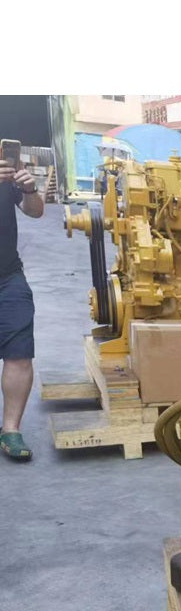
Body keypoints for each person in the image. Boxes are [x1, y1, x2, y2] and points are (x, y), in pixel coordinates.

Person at [0, 152, 44, 461]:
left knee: (20, 353)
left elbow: (36, 212)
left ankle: (10, 430)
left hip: (8, 276)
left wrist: (29, 189)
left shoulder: (7, 167)